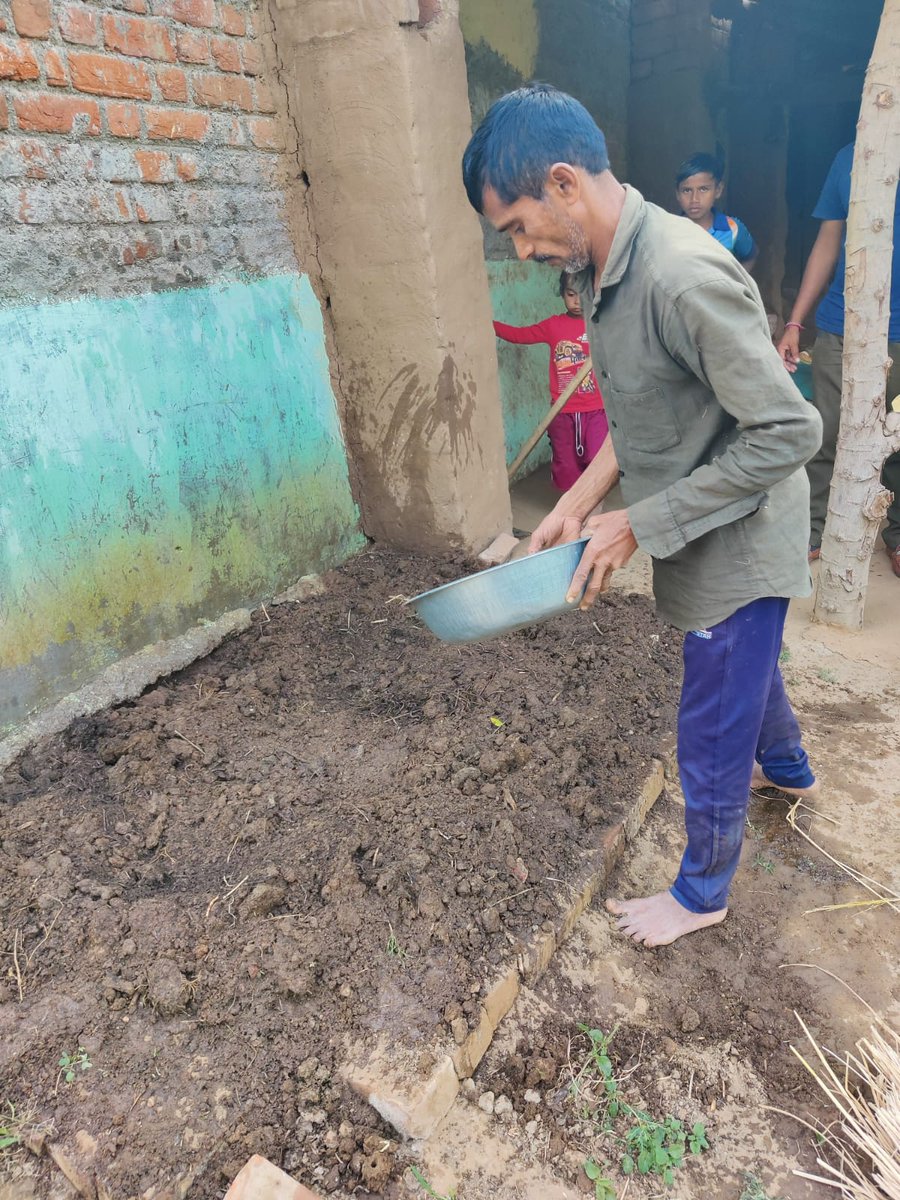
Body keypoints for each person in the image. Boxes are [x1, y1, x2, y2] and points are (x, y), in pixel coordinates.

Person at [462, 84, 823, 948]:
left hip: (741, 532)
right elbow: (641, 404)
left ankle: (703, 892)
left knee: (710, 714)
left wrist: (633, 523)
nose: (519, 249)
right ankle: (793, 772)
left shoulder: (681, 275)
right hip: (696, 514)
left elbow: (788, 431)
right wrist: (580, 502)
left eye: (515, 226)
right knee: (749, 674)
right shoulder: (599, 268)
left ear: (562, 184)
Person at [776, 142, 900, 574]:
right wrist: (795, 323)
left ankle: (898, 536)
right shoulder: (850, 157)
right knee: (826, 434)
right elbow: (828, 241)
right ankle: (814, 529)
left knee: (899, 441)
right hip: (841, 325)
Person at [493, 271, 608, 491]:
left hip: (597, 410)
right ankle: (572, 515)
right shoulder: (553, 326)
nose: (577, 301)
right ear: (562, 294)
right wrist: (489, 324)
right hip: (561, 412)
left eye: (584, 294)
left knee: (597, 461)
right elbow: (520, 335)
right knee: (567, 467)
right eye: (571, 294)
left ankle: (594, 513)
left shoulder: (601, 325)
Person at [675, 152, 757, 270]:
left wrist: (736, 282)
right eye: (687, 190)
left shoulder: (733, 228)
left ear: (718, 190)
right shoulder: (670, 230)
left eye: (703, 189)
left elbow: (751, 256)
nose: (694, 199)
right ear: (678, 194)